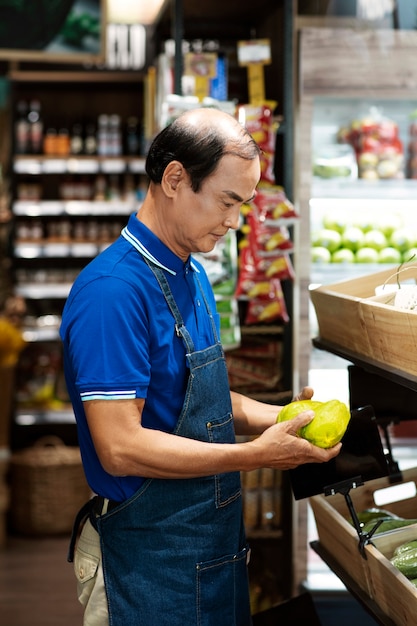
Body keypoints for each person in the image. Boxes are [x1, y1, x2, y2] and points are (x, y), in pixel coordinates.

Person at [61, 107, 341, 626]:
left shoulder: (190, 273)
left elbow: (204, 402)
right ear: (174, 178)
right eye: (226, 201)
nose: (233, 221)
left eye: (243, 205)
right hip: (147, 561)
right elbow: (120, 446)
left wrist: (283, 420)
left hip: (209, 555)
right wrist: (255, 455)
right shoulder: (113, 293)